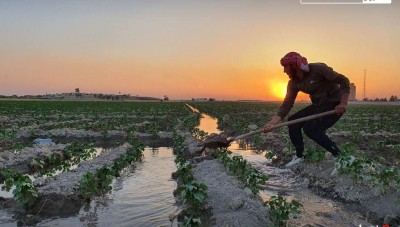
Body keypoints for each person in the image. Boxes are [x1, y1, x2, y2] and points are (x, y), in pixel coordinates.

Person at [263, 52, 350, 168]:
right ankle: (300, 156)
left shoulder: (319, 69)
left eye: (285, 67)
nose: (284, 71)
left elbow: (344, 81)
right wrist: (272, 124)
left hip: (335, 104)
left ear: (295, 66)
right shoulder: (293, 83)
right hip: (319, 105)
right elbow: (287, 104)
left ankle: (340, 157)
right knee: (293, 122)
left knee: (311, 129)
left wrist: (343, 103)